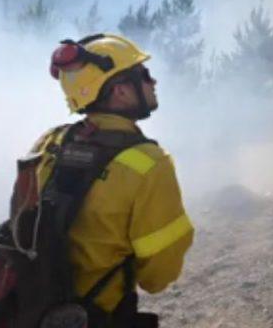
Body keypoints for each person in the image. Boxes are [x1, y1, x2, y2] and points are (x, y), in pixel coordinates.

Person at [39, 33, 194, 326]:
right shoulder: (149, 165)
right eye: (144, 74)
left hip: (32, 307)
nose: (153, 82)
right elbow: (159, 276)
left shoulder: (49, 142)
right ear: (121, 91)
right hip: (99, 316)